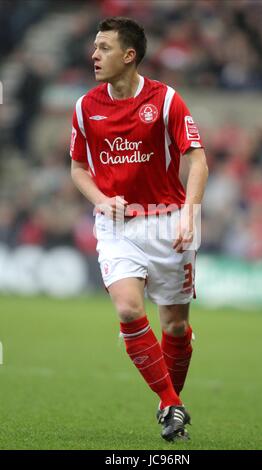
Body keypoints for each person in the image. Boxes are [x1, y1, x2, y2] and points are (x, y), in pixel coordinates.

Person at [70, 16, 208, 442]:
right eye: (95, 47)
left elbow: (198, 160)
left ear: (129, 56)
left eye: (105, 48)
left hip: (168, 223)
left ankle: (170, 407)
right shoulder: (84, 107)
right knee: (129, 309)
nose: (95, 55)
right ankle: (171, 402)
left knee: (175, 328)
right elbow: (77, 167)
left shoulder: (166, 101)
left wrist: (190, 213)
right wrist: (100, 200)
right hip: (116, 226)